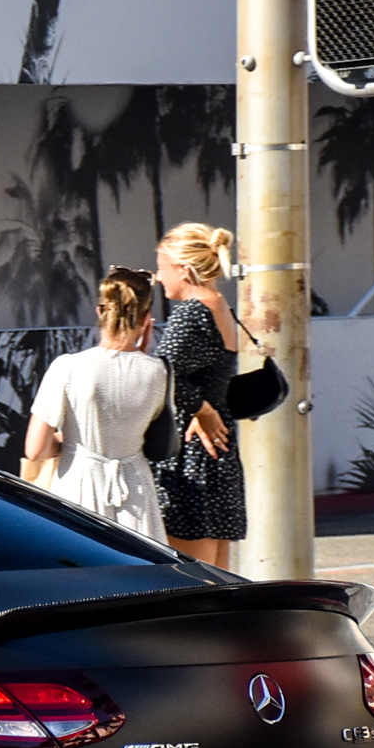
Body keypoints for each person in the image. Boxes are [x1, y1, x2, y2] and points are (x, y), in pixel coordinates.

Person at [19, 268, 170, 543]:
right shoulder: (159, 372)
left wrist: (68, 441)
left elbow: (34, 450)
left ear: (101, 312)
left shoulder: (68, 367)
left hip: (80, 486)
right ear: (147, 319)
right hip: (137, 492)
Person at [150, 221, 243, 567]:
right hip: (217, 448)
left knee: (189, 574)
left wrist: (200, 410)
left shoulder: (191, 312)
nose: (159, 279)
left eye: (161, 269)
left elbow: (164, 375)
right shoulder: (219, 305)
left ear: (183, 270)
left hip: (192, 451)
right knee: (216, 570)